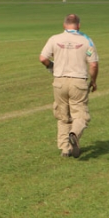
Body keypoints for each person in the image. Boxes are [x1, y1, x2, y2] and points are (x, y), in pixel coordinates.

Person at [39, 14, 99, 158]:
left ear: (64, 25)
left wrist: (51, 68)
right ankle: (74, 134)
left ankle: (65, 149)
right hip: (78, 81)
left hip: (59, 82)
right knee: (80, 115)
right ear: (79, 25)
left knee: (63, 116)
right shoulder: (87, 41)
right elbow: (93, 64)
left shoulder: (54, 39)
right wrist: (94, 80)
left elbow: (43, 58)